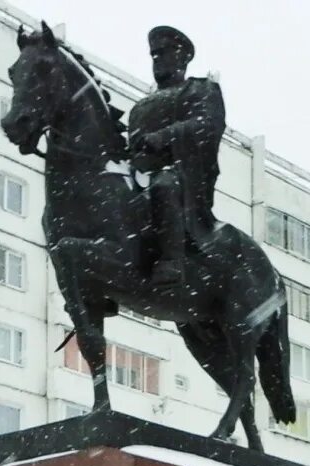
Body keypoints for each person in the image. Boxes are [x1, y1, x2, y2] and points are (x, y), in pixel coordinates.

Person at [127, 26, 225, 286]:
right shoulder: (140, 106)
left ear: (183, 57)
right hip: (139, 176)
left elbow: (207, 125)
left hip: (184, 175)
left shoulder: (201, 90)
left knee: (164, 184)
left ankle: (173, 260)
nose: (157, 58)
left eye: (164, 52)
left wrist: (163, 137)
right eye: (154, 54)